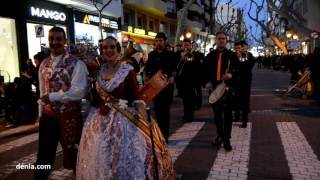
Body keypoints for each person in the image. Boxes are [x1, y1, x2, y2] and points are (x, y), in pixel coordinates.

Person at [76, 36, 175, 179]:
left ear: (118, 49)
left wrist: (145, 118)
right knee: (102, 156)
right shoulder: (97, 72)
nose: (109, 50)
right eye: (105, 47)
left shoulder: (127, 69)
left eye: (112, 47)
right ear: (101, 50)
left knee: (123, 156)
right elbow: (94, 99)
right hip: (100, 120)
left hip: (124, 120)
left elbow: (136, 97)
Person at [34, 27, 88, 179]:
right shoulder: (43, 64)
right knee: (43, 158)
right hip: (48, 118)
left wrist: (53, 97)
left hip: (70, 118)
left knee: (76, 156)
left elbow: (79, 91)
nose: (54, 42)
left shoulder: (76, 63)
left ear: (65, 41)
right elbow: (42, 90)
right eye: (51, 38)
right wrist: (40, 114)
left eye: (58, 39)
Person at [202, 31, 239, 151]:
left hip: (227, 87)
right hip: (214, 87)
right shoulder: (210, 55)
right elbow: (204, 71)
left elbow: (238, 70)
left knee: (228, 115)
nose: (221, 40)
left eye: (223, 38)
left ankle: (227, 139)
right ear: (216, 40)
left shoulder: (232, 55)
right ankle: (220, 135)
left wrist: (231, 75)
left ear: (226, 41)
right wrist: (206, 82)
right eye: (219, 38)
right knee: (217, 115)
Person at [144, 32, 176, 142]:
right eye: (157, 41)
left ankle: (165, 135)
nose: (158, 43)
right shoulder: (152, 54)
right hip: (155, 88)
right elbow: (148, 68)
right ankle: (160, 134)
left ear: (165, 41)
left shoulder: (171, 54)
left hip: (166, 87)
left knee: (165, 112)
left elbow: (175, 69)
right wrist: (147, 76)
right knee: (157, 111)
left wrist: (172, 76)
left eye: (160, 41)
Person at [176, 38, 200, 122]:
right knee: (185, 99)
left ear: (190, 45)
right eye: (184, 45)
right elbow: (176, 66)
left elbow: (197, 65)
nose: (186, 47)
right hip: (182, 80)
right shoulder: (178, 54)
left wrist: (191, 57)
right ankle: (186, 114)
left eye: (188, 45)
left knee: (191, 98)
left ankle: (190, 116)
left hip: (192, 80)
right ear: (182, 45)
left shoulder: (195, 54)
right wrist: (181, 60)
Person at [233, 40, 255, 128]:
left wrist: (242, 60)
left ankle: (244, 120)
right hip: (235, 80)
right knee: (236, 99)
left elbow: (250, 66)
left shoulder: (249, 55)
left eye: (241, 47)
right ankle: (237, 116)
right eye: (238, 48)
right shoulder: (233, 56)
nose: (239, 49)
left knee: (245, 100)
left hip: (246, 80)